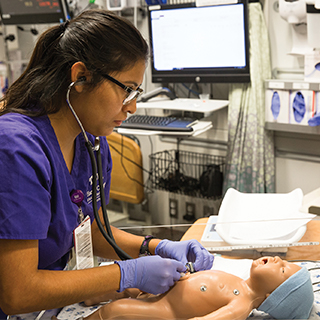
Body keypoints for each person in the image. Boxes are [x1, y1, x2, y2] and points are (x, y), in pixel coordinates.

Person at [0, 9, 213, 319]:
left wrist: (155, 247)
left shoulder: (91, 142)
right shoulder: (16, 149)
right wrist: (126, 274)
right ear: (81, 77)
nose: (133, 107)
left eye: (136, 92)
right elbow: (17, 293)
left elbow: (93, 230)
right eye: (126, 89)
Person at [83, 256, 314, 320]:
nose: (277, 259)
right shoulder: (237, 281)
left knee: (117, 310)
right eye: (283, 260)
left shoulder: (241, 304)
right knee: (126, 286)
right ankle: (87, 295)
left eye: (282, 269)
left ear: (272, 296)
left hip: (168, 311)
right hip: (166, 289)